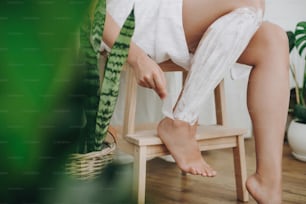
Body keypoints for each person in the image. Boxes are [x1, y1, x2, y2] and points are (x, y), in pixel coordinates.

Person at [102, 0, 289, 203]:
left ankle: (268, 184)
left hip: (175, 11)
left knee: (274, 40)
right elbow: (89, 9)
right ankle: (182, 119)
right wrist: (137, 57)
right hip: (129, 18)